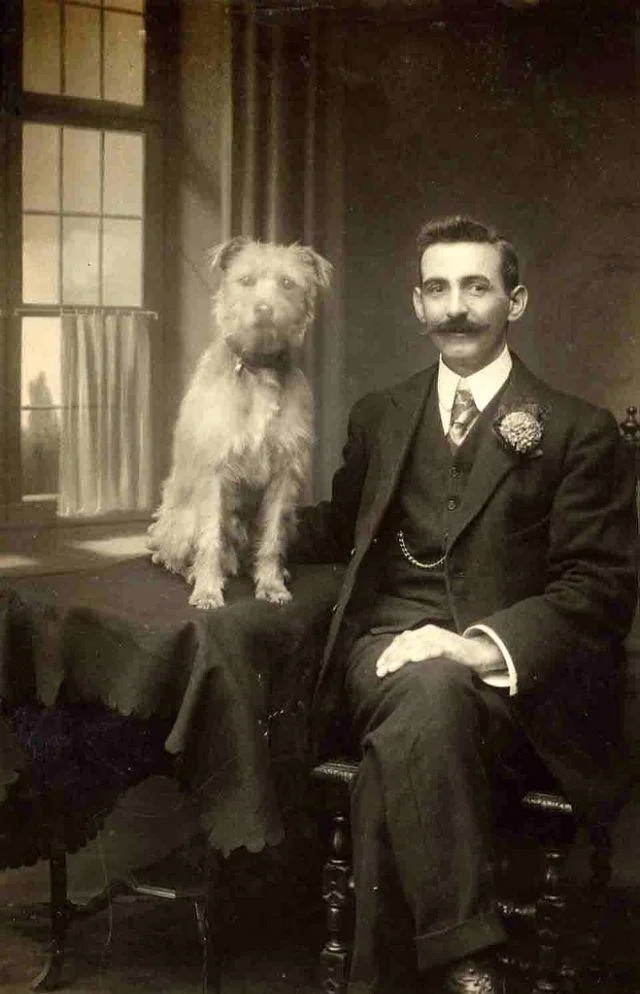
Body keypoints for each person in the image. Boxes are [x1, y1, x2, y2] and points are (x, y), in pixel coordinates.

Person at [290, 215, 638, 993]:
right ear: (417, 305)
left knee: (423, 706)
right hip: (381, 653)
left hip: (504, 691)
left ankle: (432, 967)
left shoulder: (578, 431)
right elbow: (340, 528)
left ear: (516, 301)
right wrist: (230, 524)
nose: (457, 307)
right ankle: (465, 961)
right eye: (439, 289)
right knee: (419, 686)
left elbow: (599, 589)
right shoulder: (379, 416)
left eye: (477, 287)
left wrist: (473, 647)